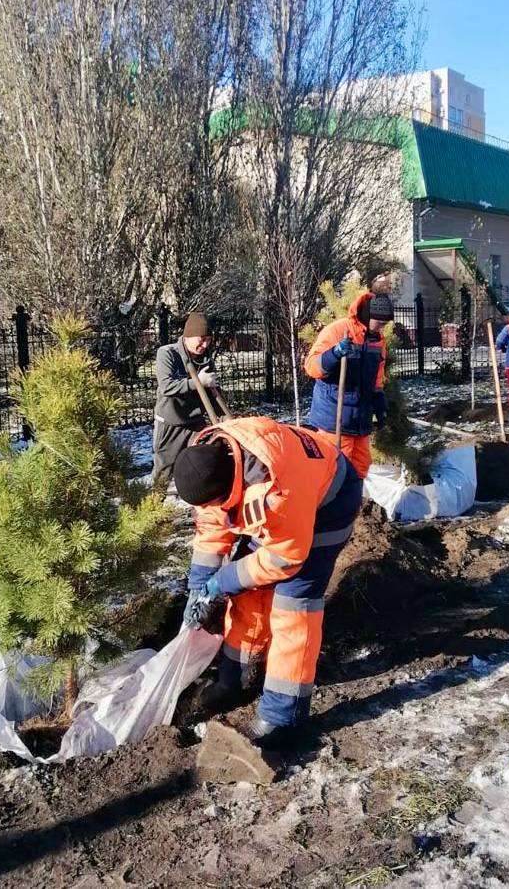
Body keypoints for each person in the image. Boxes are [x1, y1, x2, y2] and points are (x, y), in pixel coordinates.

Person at [175, 416, 363, 747]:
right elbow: (210, 525)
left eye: (217, 503)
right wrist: (200, 586)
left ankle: (283, 715)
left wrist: (223, 581)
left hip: (328, 504)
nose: (213, 510)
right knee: (247, 595)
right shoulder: (206, 460)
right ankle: (235, 679)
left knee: (293, 605)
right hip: (280, 507)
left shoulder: (275, 487)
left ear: (230, 488)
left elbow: (284, 559)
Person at [303, 286, 393, 478]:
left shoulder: (378, 341)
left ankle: (352, 506)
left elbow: (376, 378)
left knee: (360, 467)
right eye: (379, 323)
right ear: (369, 316)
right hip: (334, 417)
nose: (381, 328)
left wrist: (379, 403)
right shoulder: (338, 330)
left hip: (360, 419)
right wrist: (334, 354)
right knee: (334, 471)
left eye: (385, 324)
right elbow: (311, 367)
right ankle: (332, 507)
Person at [152, 312, 218, 484]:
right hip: (171, 423)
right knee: (163, 474)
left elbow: (212, 394)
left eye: (208, 339)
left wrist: (225, 422)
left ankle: (202, 505)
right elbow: (167, 386)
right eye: (201, 339)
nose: (205, 344)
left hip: (195, 424)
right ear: (188, 336)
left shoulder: (206, 360)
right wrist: (197, 382)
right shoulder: (167, 354)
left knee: (205, 467)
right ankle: (155, 508)